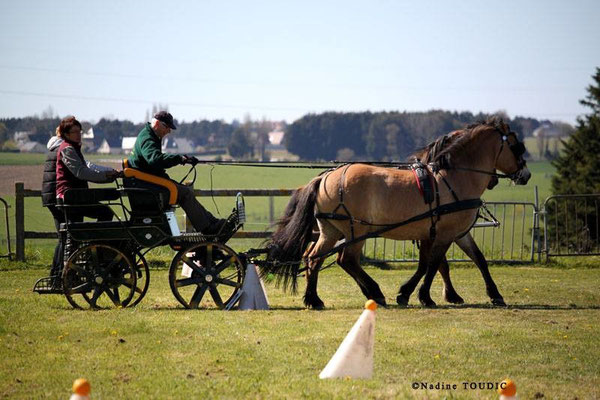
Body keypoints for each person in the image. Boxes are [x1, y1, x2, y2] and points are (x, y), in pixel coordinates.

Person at [126, 111, 230, 236]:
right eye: (167, 127)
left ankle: (213, 223)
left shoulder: (151, 135)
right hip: (146, 187)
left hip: (148, 183)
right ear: (157, 123)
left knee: (184, 191)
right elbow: (154, 159)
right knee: (185, 193)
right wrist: (179, 159)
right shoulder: (148, 138)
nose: (169, 131)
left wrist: (182, 159)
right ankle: (208, 229)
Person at [55, 116, 120, 223]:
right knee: (104, 213)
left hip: (76, 195)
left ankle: (93, 239)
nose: (78, 134)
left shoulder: (73, 147)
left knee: (78, 230)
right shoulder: (67, 149)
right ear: (66, 134)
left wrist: (108, 174)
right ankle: (96, 239)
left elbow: (87, 167)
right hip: (69, 196)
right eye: (74, 132)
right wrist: (105, 176)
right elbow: (81, 172)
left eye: (79, 131)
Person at [41, 127, 65, 281]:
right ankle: (58, 276)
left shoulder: (52, 148)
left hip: (50, 197)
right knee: (66, 236)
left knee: (62, 237)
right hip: (59, 198)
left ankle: (55, 275)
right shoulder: (63, 149)